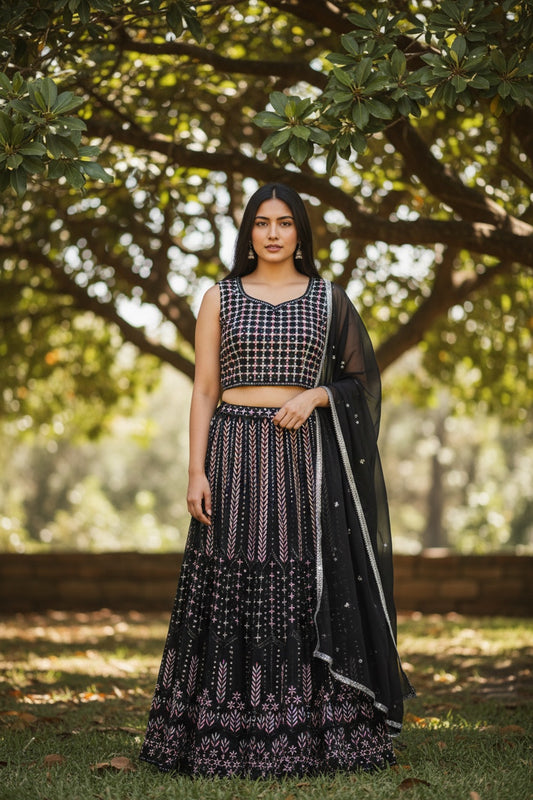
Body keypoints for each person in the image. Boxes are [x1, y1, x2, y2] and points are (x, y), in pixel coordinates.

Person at [139, 183, 414, 778]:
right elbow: (205, 389)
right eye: (261, 223)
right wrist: (195, 470)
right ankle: (217, 733)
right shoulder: (221, 297)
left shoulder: (328, 299)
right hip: (234, 453)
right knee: (229, 583)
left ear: (300, 233)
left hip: (301, 460)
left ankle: (311, 734)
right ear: (248, 232)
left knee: (297, 582)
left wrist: (317, 394)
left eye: (284, 223)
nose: (271, 233)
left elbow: (363, 382)